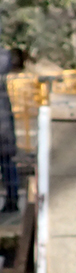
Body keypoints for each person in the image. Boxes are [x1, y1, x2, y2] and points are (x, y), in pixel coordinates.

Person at [0, 44, 19, 213]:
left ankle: (12, 200)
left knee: (7, 163)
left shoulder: (3, 56)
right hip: (4, 122)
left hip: (3, 123)